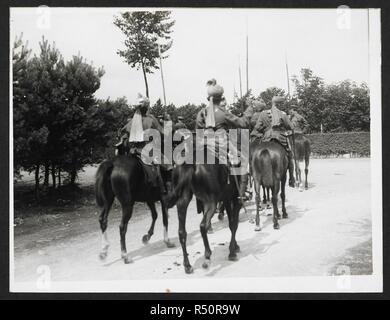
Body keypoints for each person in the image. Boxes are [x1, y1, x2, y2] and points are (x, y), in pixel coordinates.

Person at [196, 79, 255, 200]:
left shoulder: (202, 112)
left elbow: (198, 128)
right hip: (221, 142)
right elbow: (242, 123)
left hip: (204, 143)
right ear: (220, 98)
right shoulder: (224, 113)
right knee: (240, 163)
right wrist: (249, 109)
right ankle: (240, 194)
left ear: (209, 98)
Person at [118, 94, 169, 194]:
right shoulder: (151, 120)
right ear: (146, 108)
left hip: (133, 151)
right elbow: (162, 133)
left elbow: (122, 132)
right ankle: (163, 188)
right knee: (166, 163)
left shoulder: (131, 121)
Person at [252, 95, 296, 187]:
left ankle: (253, 174)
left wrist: (263, 132)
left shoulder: (263, 113)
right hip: (280, 138)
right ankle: (291, 178)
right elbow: (291, 127)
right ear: (279, 104)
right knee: (290, 155)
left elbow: (257, 127)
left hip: (266, 138)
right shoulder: (282, 114)